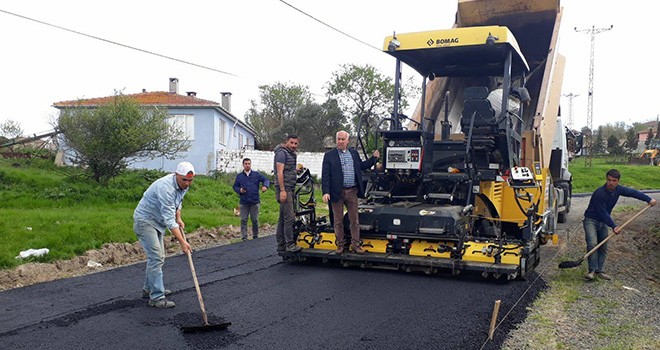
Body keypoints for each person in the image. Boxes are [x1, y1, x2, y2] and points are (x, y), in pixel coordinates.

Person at [133, 161, 194, 308]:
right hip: (145, 221)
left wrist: (179, 217)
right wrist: (182, 242)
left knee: (158, 257)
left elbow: (178, 204)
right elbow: (169, 219)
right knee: (156, 258)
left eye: (190, 180)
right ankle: (156, 297)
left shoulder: (183, 186)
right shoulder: (166, 188)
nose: (187, 183)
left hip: (157, 222)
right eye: (184, 180)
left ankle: (149, 289)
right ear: (176, 175)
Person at [582, 169, 656, 281]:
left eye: (614, 180)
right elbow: (602, 212)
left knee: (603, 247)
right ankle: (592, 270)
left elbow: (633, 193)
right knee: (592, 243)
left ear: (618, 181)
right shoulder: (599, 193)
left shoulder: (618, 190)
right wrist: (613, 225)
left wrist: (648, 199)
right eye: (609, 180)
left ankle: (599, 270)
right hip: (591, 220)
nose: (610, 183)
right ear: (606, 179)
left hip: (603, 222)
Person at [322, 130, 379, 254]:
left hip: (352, 191)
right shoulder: (329, 156)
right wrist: (326, 192)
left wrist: (373, 158)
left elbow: (362, 166)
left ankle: (355, 245)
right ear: (336, 140)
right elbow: (325, 175)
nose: (341, 141)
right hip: (336, 193)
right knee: (338, 221)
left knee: (354, 220)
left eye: (343, 139)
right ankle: (340, 245)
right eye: (339, 139)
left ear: (347, 141)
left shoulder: (353, 154)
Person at [274, 135, 302, 253]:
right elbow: (279, 173)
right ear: (286, 142)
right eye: (292, 143)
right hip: (285, 189)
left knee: (282, 217)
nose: (294, 145)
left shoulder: (290, 154)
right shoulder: (281, 153)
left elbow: (287, 170)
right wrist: (283, 190)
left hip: (289, 187)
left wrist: (295, 170)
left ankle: (281, 244)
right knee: (289, 217)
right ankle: (289, 244)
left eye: (296, 143)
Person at [233, 158, 270, 241]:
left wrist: (265, 186)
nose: (247, 165)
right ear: (243, 165)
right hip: (244, 201)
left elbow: (266, 180)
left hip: (254, 200)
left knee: (255, 219)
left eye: (249, 163)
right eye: (245, 163)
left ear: (251, 164)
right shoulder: (239, 176)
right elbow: (235, 186)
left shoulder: (256, 175)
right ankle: (244, 237)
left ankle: (255, 236)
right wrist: (240, 190)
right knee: (243, 220)